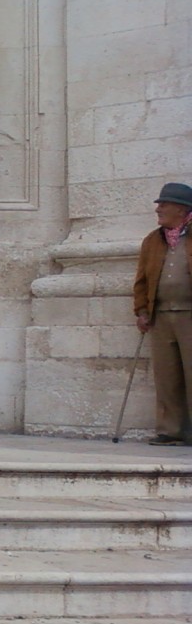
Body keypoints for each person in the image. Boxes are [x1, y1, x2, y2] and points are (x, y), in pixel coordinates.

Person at [133, 182, 192, 446]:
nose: (158, 209)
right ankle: (171, 430)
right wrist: (142, 311)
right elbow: (141, 281)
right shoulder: (152, 240)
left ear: (181, 209)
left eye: (164, 204)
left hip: (190, 314)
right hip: (161, 316)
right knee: (166, 376)